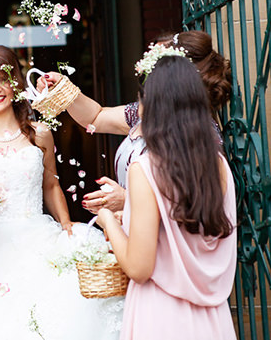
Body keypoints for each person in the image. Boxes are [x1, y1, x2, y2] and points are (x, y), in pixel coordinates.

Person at [0, 46, 121, 340]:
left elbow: (50, 184)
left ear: (16, 84)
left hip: (37, 243)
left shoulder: (40, 133)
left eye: (4, 80)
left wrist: (66, 226)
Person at [96, 55, 236, 340]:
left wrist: (109, 221)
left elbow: (139, 268)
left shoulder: (145, 168)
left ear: (150, 104)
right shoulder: (219, 166)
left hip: (160, 316)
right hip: (213, 320)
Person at [41, 30, 231, 213]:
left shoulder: (199, 132)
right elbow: (96, 117)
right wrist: (62, 87)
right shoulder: (145, 114)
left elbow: (192, 206)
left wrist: (126, 200)